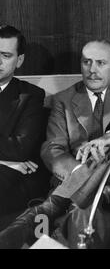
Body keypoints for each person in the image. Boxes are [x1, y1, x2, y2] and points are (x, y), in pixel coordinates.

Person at [0, 39, 110, 249]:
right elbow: (53, 149)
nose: (92, 70)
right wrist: (80, 171)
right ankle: (83, 191)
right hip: (85, 185)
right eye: (86, 62)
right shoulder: (64, 99)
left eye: (101, 63)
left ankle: (49, 207)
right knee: (82, 209)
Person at [0, 25, 49, 222]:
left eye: (5, 55)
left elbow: (20, 150)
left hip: (13, 182)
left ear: (19, 60)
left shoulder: (30, 95)